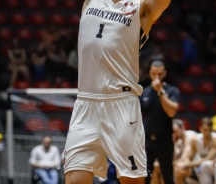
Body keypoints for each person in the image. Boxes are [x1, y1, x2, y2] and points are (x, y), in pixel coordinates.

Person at [62, 0, 171, 183]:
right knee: (74, 178)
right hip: (85, 103)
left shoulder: (142, 6)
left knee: (132, 180)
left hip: (121, 102)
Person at [140, 60, 180, 184]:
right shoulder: (144, 92)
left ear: (165, 73)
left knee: (168, 177)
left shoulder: (172, 91)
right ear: (149, 73)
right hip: (147, 142)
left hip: (165, 141)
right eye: (154, 74)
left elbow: (171, 112)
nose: (156, 77)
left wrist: (160, 91)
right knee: (145, 176)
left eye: (160, 74)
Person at [174, 117, 216, 184]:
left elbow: (207, 159)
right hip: (201, 167)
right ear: (200, 129)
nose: (207, 133)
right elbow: (189, 157)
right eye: (205, 130)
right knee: (179, 171)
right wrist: (185, 163)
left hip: (215, 167)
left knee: (204, 165)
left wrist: (186, 164)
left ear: (212, 129)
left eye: (209, 130)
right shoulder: (195, 140)